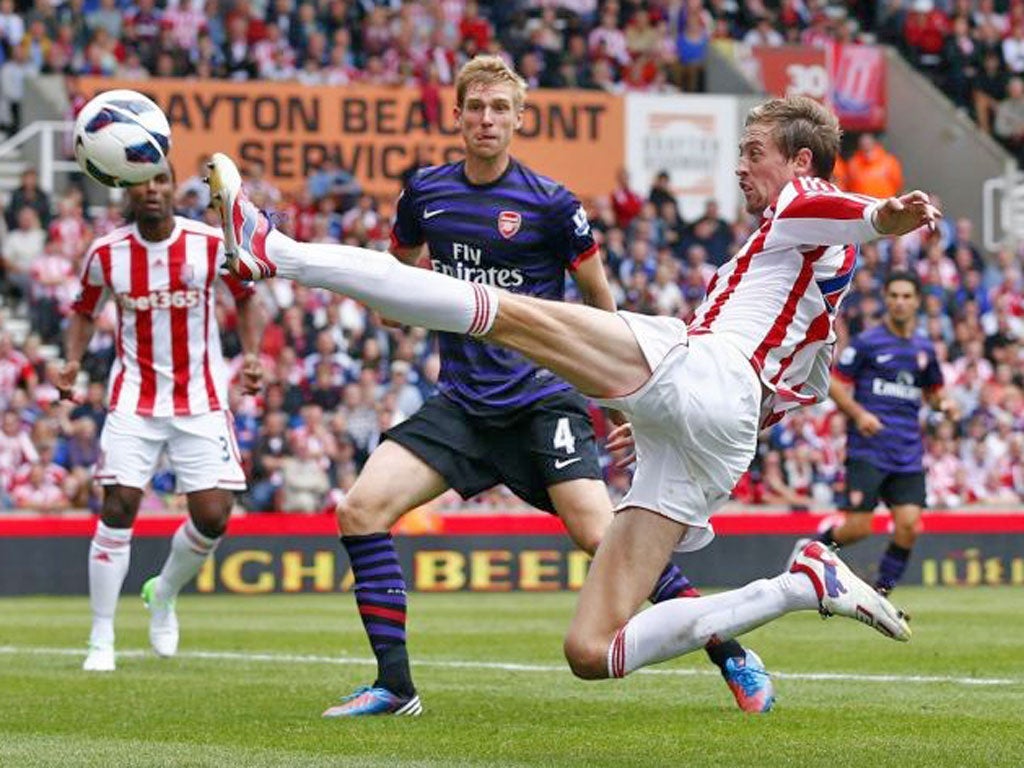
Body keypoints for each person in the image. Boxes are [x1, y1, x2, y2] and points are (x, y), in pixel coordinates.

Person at [208, 94, 928, 703]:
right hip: (719, 428)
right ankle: (800, 584)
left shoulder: (805, 205)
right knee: (591, 650)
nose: (741, 165)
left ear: (799, 160)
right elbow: (794, 379)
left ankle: (276, 251)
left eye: (754, 150)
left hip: (709, 375)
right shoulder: (807, 264)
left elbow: (849, 209)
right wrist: (657, 421)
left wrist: (885, 215)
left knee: (500, 310)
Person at [277, 56, 773, 716]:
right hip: (461, 403)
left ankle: (731, 652)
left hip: (543, 401)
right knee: (359, 510)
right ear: (455, 115)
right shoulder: (425, 195)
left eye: (499, 109)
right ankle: (395, 686)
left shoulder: (553, 205)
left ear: (518, 118)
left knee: (605, 538)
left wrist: (627, 395)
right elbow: (394, 285)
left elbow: (601, 303)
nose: (486, 119)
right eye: (475, 107)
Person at [59, 166, 265, 673]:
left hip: (201, 398)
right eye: (141, 182)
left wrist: (254, 355)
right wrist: (71, 361)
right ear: (126, 189)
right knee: (119, 504)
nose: (151, 190)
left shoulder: (209, 242)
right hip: (134, 398)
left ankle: (164, 592)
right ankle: (100, 637)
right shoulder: (106, 252)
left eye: (160, 180)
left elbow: (247, 297)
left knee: (214, 515)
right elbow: (84, 310)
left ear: (174, 188)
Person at [792, 272, 956, 594]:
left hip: (907, 451)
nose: (899, 302)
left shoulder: (924, 347)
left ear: (917, 301)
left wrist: (946, 405)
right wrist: (859, 414)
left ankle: (881, 591)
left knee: (909, 526)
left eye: (906, 296)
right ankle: (807, 552)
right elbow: (835, 384)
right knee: (858, 528)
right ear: (886, 300)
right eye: (894, 295)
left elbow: (934, 392)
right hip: (868, 449)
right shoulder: (868, 342)